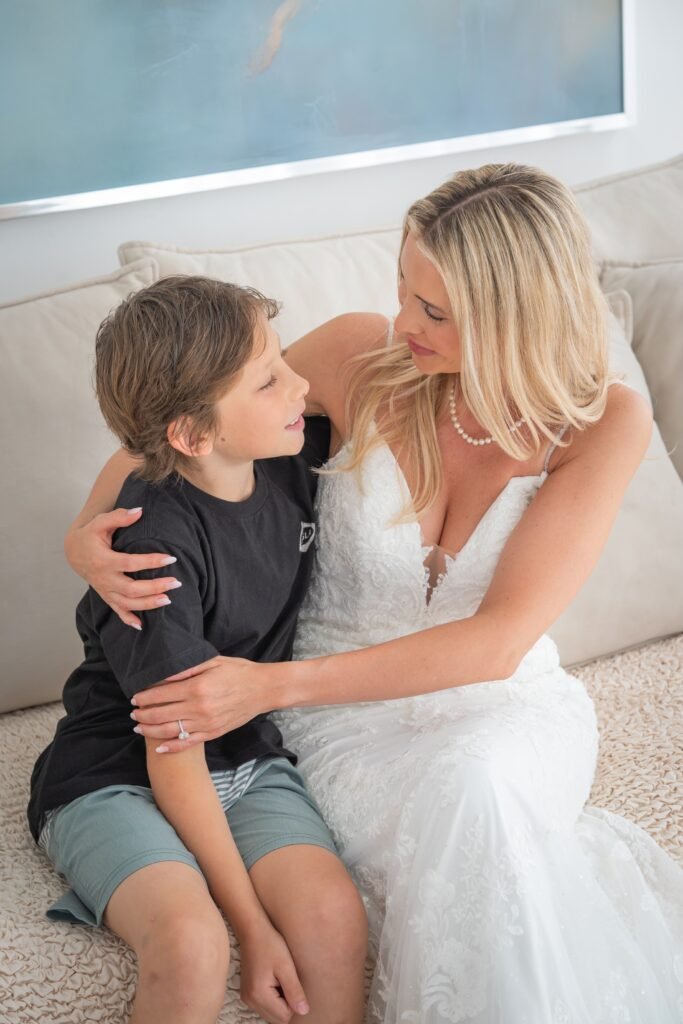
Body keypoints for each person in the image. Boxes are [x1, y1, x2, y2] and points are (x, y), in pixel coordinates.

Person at [65, 165, 683, 1023]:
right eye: (403, 291)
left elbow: (497, 643)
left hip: (497, 702)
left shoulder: (603, 421)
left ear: (515, 311)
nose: (401, 323)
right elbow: (176, 432)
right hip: (338, 716)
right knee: (464, 809)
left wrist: (263, 685)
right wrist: (85, 534)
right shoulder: (361, 357)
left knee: (480, 787)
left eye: (432, 312)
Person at [29, 277, 367, 1024]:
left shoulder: (288, 452)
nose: (301, 386)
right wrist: (252, 928)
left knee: (330, 916)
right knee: (192, 942)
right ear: (191, 435)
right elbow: (172, 753)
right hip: (117, 774)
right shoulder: (148, 549)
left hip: (244, 754)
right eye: (271, 377)